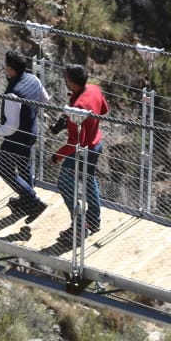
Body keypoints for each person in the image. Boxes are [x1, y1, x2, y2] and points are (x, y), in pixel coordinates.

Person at [51, 64, 108, 244]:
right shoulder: (94, 89)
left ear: (72, 82)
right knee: (89, 180)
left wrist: (57, 156)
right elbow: (104, 110)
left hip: (81, 151)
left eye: (66, 78)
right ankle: (94, 220)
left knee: (65, 183)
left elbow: (75, 142)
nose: (64, 80)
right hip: (96, 144)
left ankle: (80, 226)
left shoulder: (79, 106)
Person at [0, 50, 50, 223]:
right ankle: (26, 201)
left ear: (10, 69)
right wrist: (29, 112)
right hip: (31, 132)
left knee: (5, 169)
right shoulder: (34, 79)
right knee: (25, 167)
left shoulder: (13, 92)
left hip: (15, 139)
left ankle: (33, 201)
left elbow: (11, 126)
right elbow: (45, 100)